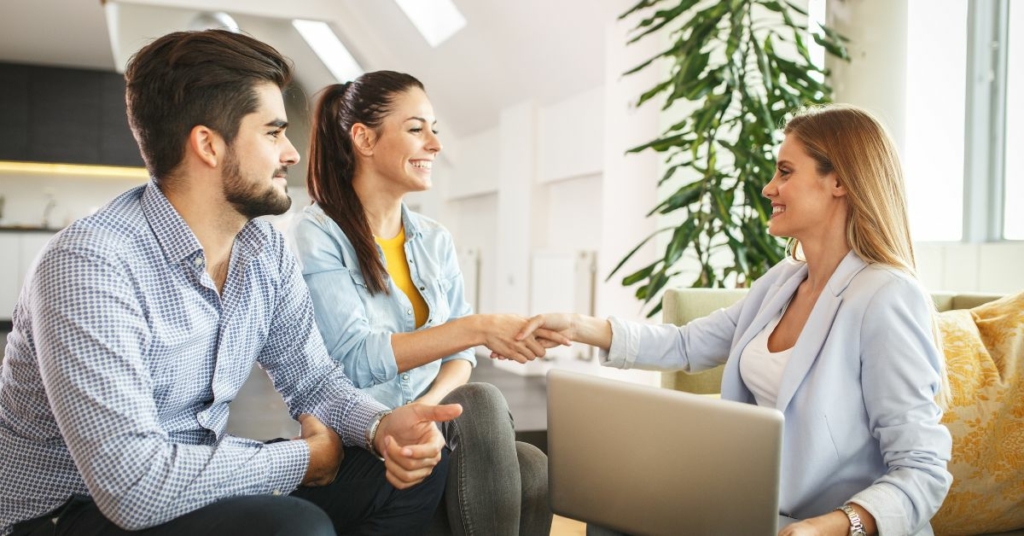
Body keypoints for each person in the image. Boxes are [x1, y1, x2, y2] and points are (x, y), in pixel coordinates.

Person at [0, 30, 464, 536]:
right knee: (294, 526)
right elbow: (131, 486)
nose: (291, 153)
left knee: (409, 473)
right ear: (208, 145)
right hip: (67, 512)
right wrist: (300, 460)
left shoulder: (262, 249)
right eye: (272, 133)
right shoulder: (91, 264)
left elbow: (313, 381)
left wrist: (380, 429)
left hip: (194, 478)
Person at [519, 105, 953, 536]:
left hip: (823, 527)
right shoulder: (782, 282)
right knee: (609, 514)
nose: (769, 187)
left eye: (785, 172)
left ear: (838, 181)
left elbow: (922, 469)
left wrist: (833, 527)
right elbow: (687, 345)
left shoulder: (885, 296)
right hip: (754, 514)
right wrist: (577, 328)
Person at [288, 72, 558, 536]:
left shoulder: (434, 239)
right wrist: (474, 327)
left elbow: (459, 356)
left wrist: (429, 412)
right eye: (417, 129)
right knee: (493, 415)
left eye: (435, 129)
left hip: (424, 423)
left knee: (530, 462)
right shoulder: (316, 233)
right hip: (359, 433)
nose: (435, 144)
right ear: (364, 138)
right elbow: (353, 359)